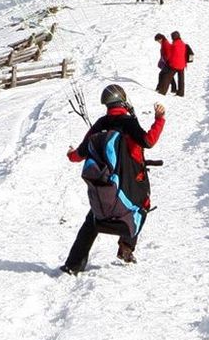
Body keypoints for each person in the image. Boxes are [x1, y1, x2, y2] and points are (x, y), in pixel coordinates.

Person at [61, 85, 166, 275]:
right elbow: (148, 141)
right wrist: (159, 120)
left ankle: (73, 264)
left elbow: (79, 153)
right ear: (123, 100)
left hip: (105, 183)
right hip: (130, 182)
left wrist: (70, 154)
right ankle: (126, 246)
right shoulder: (128, 122)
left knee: (93, 217)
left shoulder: (100, 125)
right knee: (141, 206)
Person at [156, 30, 193, 97]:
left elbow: (169, 54)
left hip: (174, 65)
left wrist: (167, 61)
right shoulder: (183, 44)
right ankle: (181, 93)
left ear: (173, 38)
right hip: (182, 65)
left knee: (167, 77)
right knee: (181, 80)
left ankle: (162, 92)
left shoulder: (173, 45)